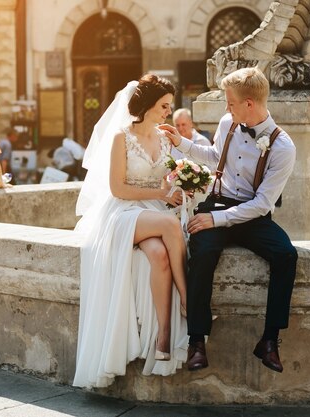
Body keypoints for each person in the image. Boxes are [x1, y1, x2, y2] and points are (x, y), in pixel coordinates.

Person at [160, 67, 297, 373]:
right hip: (218, 201)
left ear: (250, 103)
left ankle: (270, 340)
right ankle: (197, 341)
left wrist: (217, 220)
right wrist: (180, 143)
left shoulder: (283, 147)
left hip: (252, 214)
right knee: (203, 251)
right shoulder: (228, 122)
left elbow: (263, 204)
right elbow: (213, 155)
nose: (226, 108)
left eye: (230, 102)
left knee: (286, 254)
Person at [73, 74, 189, 388]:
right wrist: (162, 195)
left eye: (169, 106)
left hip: (151, 212)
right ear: (148, 105)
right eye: (164, 105)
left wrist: (179, 186)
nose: (168, 111)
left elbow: (164, 180)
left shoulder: (165, 138)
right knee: (168, 225)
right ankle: (187, 298)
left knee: (159, 255)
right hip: (122, 213)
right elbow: (117, 188)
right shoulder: (121, 138)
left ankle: (164, 336)